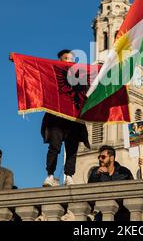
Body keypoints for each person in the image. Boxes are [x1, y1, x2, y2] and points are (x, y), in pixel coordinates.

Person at [41, 49, 91, 187]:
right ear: (60, 60)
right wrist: (17, 59)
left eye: (72, 59)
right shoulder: (53, 73)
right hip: (56, 118)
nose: (69, 61)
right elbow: (35, 67)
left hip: (73, 119)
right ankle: (50, 175)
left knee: (72, 148)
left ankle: (69, 175)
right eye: (66, 58)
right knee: (54, 146)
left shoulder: (81, 76)